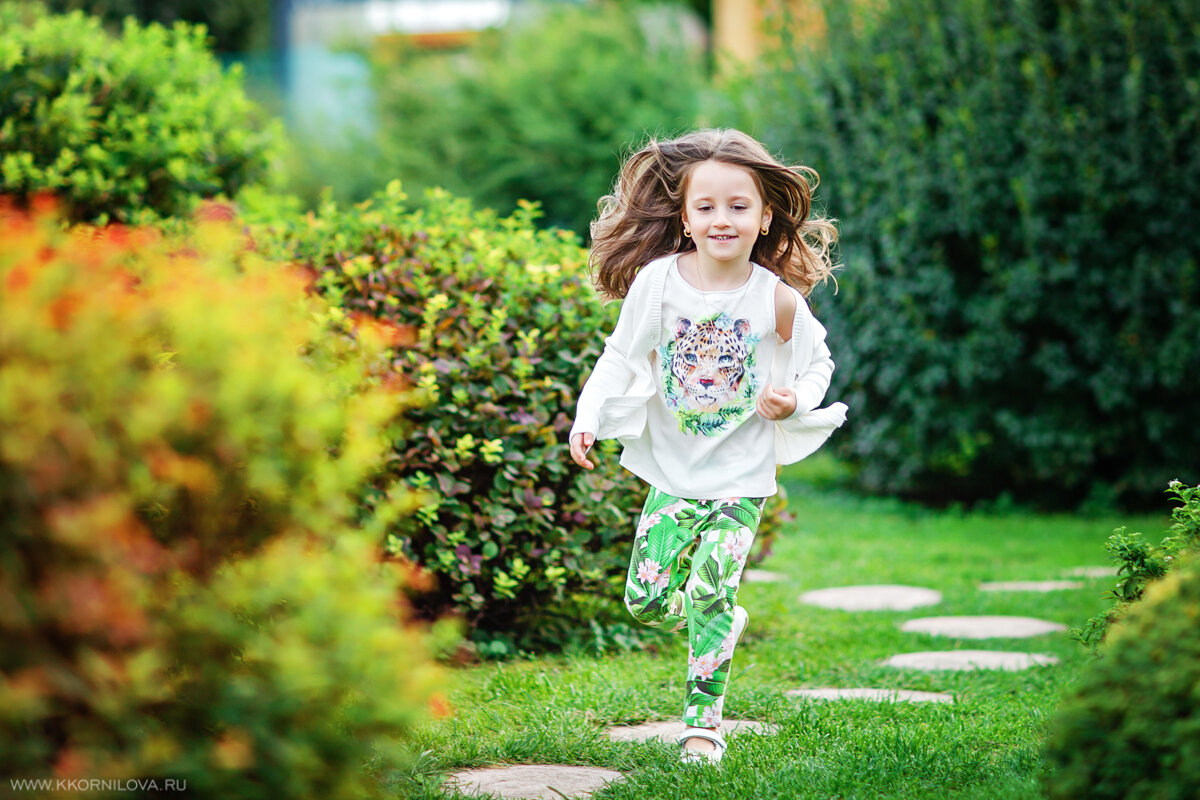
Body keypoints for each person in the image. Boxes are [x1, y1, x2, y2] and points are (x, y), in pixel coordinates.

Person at [568, 129, 848, 765]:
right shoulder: (657, 284)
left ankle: (703, 726)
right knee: (644, 599)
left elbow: (818, 364)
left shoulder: (776, 298)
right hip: (672, 473)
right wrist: (589, 415)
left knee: (714, 588)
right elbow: (620, 356)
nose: (723, 218)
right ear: (686, 219)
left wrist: (795, 401)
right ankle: (719, 622)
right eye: (707, 207)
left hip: (740, 479)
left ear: (765, 215)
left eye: (739, 206)